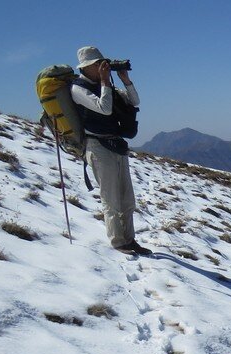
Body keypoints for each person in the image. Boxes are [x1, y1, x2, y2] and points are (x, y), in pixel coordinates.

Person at [72, 46, 150, 255]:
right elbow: (104, 107)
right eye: (98, 64)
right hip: (97, 147)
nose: (102, 67)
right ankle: (118, 242)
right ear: (87, 67)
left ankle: (130, 239)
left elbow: (135, 101)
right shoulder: (78, 89)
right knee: (111, 198)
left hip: (115, 144)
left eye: (102, 64)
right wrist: (105, 81)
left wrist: (124, 79)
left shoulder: (105, 85)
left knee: (126, 196)